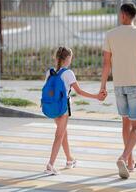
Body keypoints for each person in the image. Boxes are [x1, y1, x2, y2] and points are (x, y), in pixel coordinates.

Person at [100, 3, 136, 179]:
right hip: (135, 84)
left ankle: (130, 162)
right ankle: (124, 157)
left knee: (125, 123)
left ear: (123, 15)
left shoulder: (110, 34)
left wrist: (102, 86)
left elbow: (106, 63)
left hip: (118, 85)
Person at [44, 47, 105, 175]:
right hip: (64, 108)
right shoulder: (68, 73)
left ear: (56, 58)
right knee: (59, 135)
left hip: (53, 106)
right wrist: (96, 96)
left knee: (63, 133)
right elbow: (79, 91)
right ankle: (50, 164)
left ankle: (69, 159)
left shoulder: (50, 72)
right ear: (67, 59)